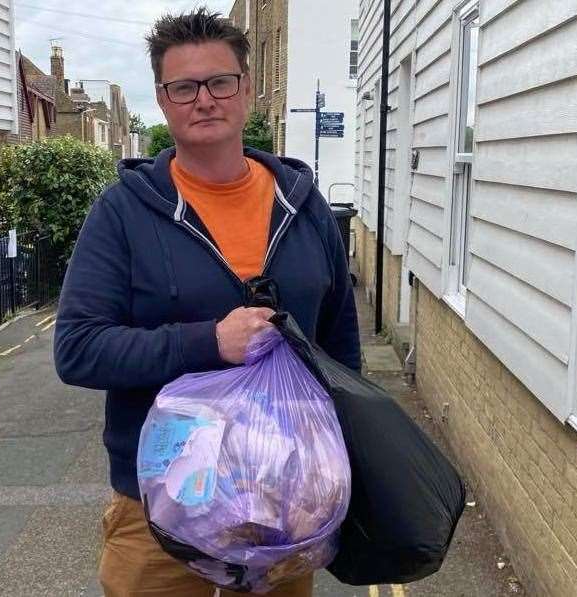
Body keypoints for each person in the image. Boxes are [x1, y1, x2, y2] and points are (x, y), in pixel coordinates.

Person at [54, 8, 360, 597]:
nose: (204, 99)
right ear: (164, 101)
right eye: (184, 87)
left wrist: (343, 456)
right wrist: (207, 342)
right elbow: (77, 349)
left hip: (283, 501)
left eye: (220, 82)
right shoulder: (122, 213)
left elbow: (340, 343)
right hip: (163, 507)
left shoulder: (303, 205)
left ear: (245, 90)